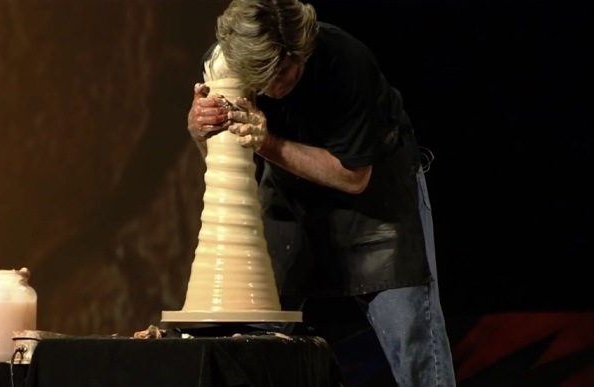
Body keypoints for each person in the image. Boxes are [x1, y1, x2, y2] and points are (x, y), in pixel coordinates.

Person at [186, 0, 457, 385]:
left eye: (284, 73)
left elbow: (354, 177)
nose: (274, 88)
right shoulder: (227, 60)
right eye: (262, 79)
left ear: (303, 52)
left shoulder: (346, 61)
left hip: (374, 203)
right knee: (247, 334)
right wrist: (202, 128)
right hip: (288, 195)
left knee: (415, 346)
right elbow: (222, 160)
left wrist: (267, 143)